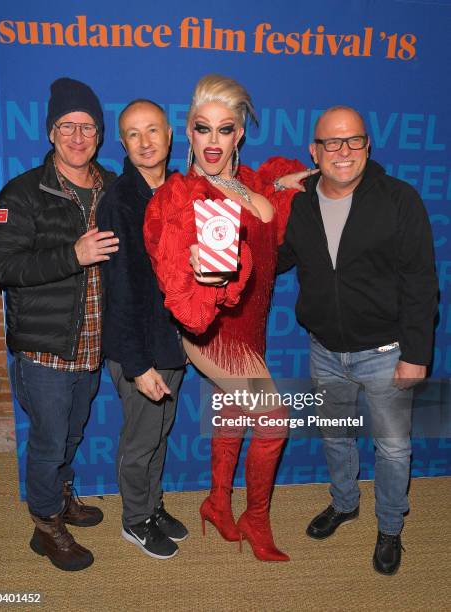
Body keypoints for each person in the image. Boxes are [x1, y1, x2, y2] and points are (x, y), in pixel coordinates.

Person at [144, 74, 310, 562]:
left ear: (239, 134)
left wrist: (279, 184)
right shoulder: (179, 198)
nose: (212, 141)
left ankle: (217, 502)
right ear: (188, 133)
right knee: (273, 420)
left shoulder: (253, 183)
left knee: (233, 409)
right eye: (202, 128)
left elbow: (267, 213)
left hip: (252, 326)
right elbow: (170, 255)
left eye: (224, 129)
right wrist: (192, 267)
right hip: (214, 333)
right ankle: (254, 517)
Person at [277, 106, 438, 575]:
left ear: (368, 145)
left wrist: (416, 355)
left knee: (392, 448)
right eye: (332, 142)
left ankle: (390, 528)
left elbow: (421, 282)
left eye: (353, 141)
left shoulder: (398, 199)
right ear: (315, 151)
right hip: (324, 349)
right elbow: (278, 257)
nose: (343, 151)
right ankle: (344, 503)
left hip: (386, 353)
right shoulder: (300, 202)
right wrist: (274, 191)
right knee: (335, 435)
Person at [0, 78, 119, 572]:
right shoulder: (22, 192)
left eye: (87, 126)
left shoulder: (111, 188)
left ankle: (61, 497)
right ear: (50, 132)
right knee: (47, 441)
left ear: (100, 134)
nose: (78, 136)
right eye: (68, 126)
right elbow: (3, 267)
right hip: (44, 350)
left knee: (70, 435)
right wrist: (72, 255)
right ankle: (45, 526)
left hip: (91, 347)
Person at [96, 99, 187, 560]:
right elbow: (121, 291)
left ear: (170, 137)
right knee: (140, 441)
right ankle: (135, 521)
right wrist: (137, 364)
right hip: (139, 350)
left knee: (161, 432)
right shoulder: (118, 203)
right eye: (133, 133)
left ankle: (152, 506)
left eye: (153, 130)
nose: (145, 141)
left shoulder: (179, 192)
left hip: (172, 344)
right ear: (123, 143)